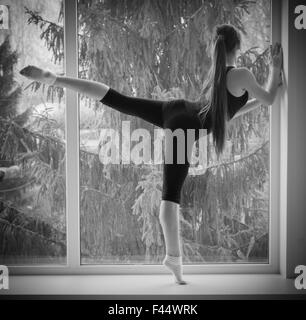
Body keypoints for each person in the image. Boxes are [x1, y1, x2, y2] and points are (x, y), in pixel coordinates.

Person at [19, 24, 283, 285]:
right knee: (170, 200)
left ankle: (56, 79)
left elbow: (229, 113)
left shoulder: (217, 74)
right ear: (237, 47)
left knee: (121, 100)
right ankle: (174, 260)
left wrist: (266, 94)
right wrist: (275, 68)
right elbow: (269, 99)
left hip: (175, 110)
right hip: (184, 128)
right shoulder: (242, 75)